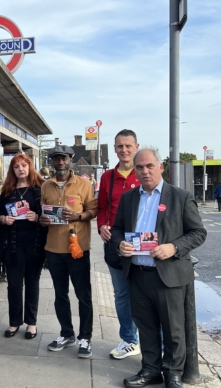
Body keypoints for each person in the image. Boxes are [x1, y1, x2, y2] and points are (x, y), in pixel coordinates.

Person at [111, 148, 207, 388]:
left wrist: (173, 247)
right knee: (146, 327)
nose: (145, 171)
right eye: (140, 167)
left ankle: (173, 374)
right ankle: (150, 370)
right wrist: (119, 243)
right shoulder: (129, 198)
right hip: (137, 275)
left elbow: (198, 233)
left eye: (149, 166)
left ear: (160, 167)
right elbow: (116, 230)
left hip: (168, 276)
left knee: (173, 330)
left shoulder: (180, 197)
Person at [39, 145, 98, 359]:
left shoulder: (84, 184)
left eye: (63, 158)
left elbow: (93, 210)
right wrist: (42, 219)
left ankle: (86, 337)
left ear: (71, 159)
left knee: (83, 295)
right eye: (56, 159)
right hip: (53, 249)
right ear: (52, 162)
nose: (60, 162)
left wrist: (78, 216)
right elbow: (42, 212)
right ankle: (67, 334)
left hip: (78, 249)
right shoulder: (46, 185)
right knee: (60, 295)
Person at [97, 129, 141, 360]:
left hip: (141, 245)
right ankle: (129, 340)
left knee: (146, 295)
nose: (124, 150)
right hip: (115, 243)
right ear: (114, 148)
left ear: (136, 146)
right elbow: (102, 207)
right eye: (119, 146)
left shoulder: (144, 173)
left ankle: (157, 344)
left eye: (128, 146)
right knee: (122, 295)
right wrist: (102, 225)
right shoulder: (107, 177)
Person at [0, 154, 47, 339]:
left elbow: (48, 214)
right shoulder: (8, 190)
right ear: (12, 170)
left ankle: (31, 324)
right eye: (17, 167)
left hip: (34, 245)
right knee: (14, 286)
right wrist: (3, 219)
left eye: (24, 165)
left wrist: (37, 217)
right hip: (13, 245)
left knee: (32, 284)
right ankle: (14, 322)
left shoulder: (39, 189)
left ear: (30, 167)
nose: (21, 169)